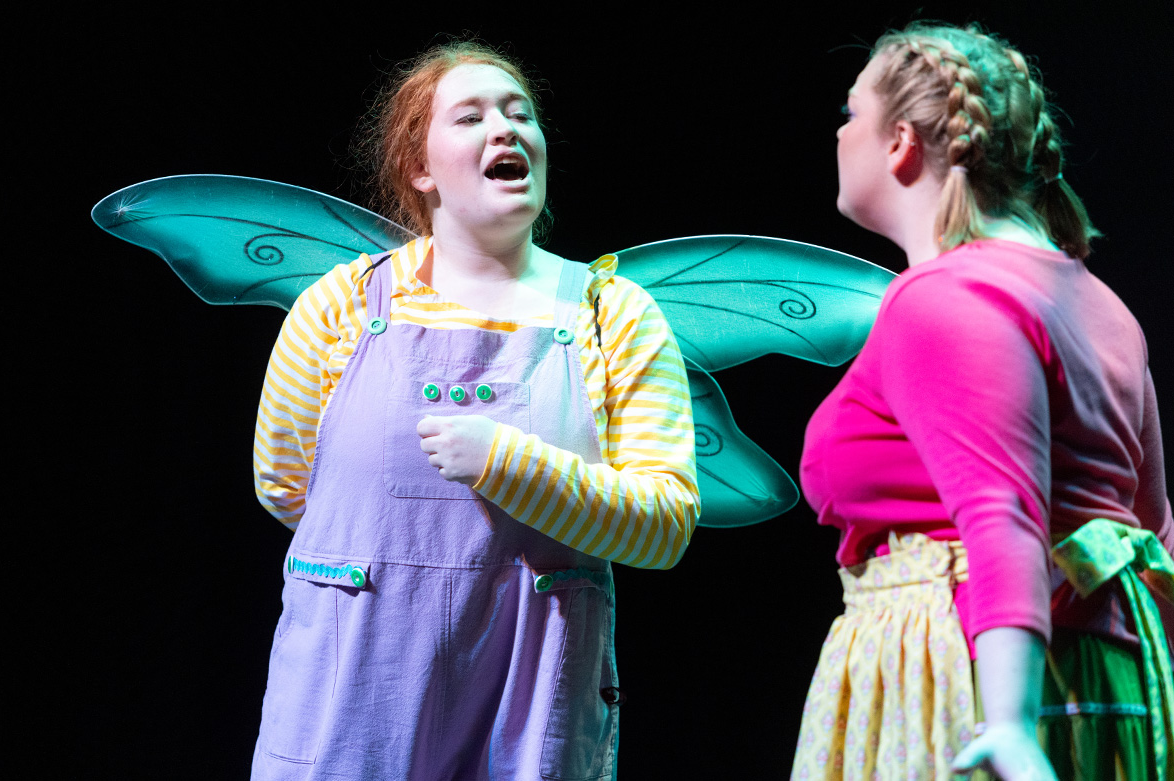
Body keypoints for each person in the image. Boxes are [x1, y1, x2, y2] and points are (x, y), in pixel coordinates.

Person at [248, 42, 699, 779]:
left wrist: (506, 465)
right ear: (420, 169)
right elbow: (288, 486)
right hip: (354, 705)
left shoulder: (611, 313)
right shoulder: (335, 308)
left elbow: (664, 521)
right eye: (471, 116)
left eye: (521, 114)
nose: (506, 129)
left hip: (527, 710)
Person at [792, 22, 1173, 781]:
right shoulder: (1098, 302)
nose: (839, 134)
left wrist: (1009, 725)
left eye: (849, 113)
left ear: (900, 141)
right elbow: (1154, 528)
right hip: (1102, 672)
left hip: (968, 671)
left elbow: (1002, 514)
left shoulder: (943, 297)